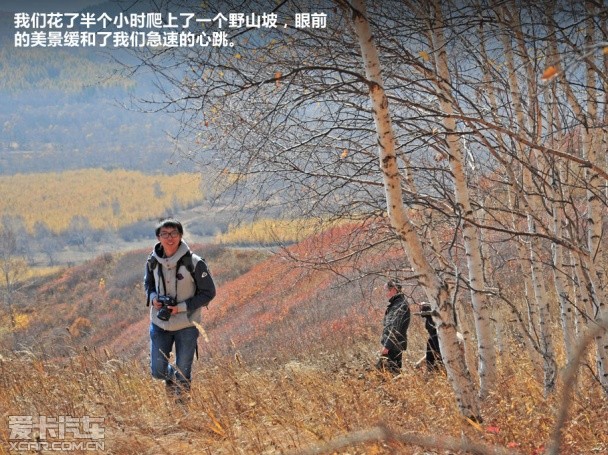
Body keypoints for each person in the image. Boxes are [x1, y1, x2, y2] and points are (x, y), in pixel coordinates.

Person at [144, 218, 216, 402]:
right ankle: (171, 378)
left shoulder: (194, 262)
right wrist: (153, 299)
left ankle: (182, 413)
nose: (170, 238)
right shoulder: (153, 261)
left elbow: (209, 292)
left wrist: (181, 308)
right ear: (158, 237)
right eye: (165, 234)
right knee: (158, 371)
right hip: (160, 323)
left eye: (174, 233)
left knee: (184, 372)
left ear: (181, 235)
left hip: (187, 324)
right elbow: (148, 284)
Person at [377, 280, 411, 374]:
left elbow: (395, 329)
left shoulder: (400, 305)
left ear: (394, 290)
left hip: (394, 347)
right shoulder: (396, 304)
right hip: (392, 345)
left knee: (390, 375)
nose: (386, 293)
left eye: (387, 290)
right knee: (384, 374)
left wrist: (387, 347)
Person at [417, 302, 443, 371]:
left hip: (436, 338)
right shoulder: (429, 319)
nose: (420, 310)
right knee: (431, 357)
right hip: (433, 339)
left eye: (421, 308)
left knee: (437, 357)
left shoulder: (433, 318)